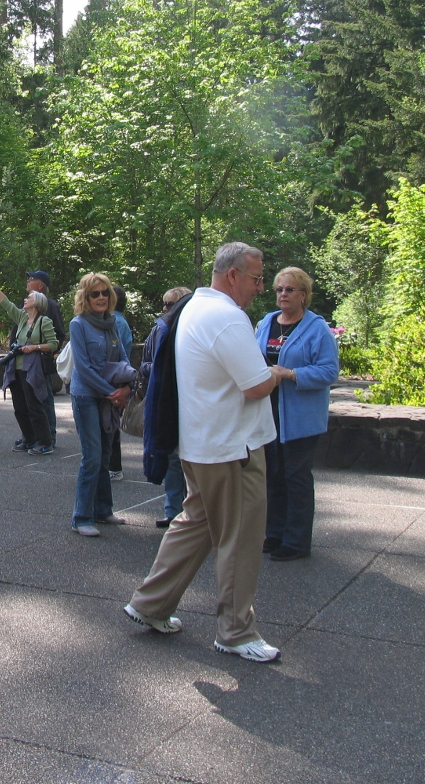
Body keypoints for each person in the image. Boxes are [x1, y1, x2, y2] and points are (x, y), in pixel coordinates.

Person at [124, 242, 292, 662]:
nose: (260, 287)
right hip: (232, 446)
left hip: (201, 444)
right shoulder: (227, 318)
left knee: (196, 523)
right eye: (256, 279)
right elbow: (254, 385)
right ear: (233, 274)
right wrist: (275, 372)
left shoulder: (194, 306)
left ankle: (150, 603)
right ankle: (235, 632)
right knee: (239, 537)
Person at [255, 267, 340, 562]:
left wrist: (290, 374)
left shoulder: (316, 328)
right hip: (270, 411)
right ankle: (274, 533)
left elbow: (329, 371)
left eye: (289, 290)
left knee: (296, 476)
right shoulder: (267, 322)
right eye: (279, 289)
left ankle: (297, 541)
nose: (283, 295)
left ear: (304, 295)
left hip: (301, 416)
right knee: (273, 474)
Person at [68, 272, 132, 537]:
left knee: (105, 455)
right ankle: (82, 516)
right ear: (85, 297)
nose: (101, 297)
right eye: (95, 293)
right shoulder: (78, 324)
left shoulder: (113, 324)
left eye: (105, 292)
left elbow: (124, 358)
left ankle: (103, 509)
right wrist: (111, 392)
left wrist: (128, 387)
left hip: (110, 397)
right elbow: (82, 368)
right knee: (92, 456)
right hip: (87, 397)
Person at [0, 274, 58, 454]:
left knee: (35, 406)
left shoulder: (44, 322)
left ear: (37, 302)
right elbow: (5, 302)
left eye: (28, 298)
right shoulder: (22, 318)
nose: (25, 299)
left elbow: (53, 344)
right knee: (20, 408)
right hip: (17, 369)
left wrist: (34, 347)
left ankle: (45, 442)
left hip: (32, 368)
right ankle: (29, 439)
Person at [139, 286, 192, 527]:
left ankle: (195, 513)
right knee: (171, 458)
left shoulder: (194, 330)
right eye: (165, 304)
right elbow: (145, 364)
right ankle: (172, 512)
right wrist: (161, 369)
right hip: (165, 402)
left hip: (192, 404)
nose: (165, 309)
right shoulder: (158, 329)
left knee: (191, 461)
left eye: (170, 304)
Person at [25, 270, 64, 446]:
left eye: (32, 279)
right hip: (25, 361)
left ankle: (50, 435)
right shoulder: (24, 305)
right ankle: (32, 436)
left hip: (42, 360)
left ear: (41, 285)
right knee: (28, 400)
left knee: (45, 398)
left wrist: (47, 350)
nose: (28, 281)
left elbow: (59, 333)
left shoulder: (51, 306)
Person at [106, 286, 134, 481]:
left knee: (110, 424)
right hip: (117, 377)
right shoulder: (120, 321)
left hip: (114, 378)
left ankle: (114, 466)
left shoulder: (115, 322)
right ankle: (111, 465)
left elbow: (118, 354)